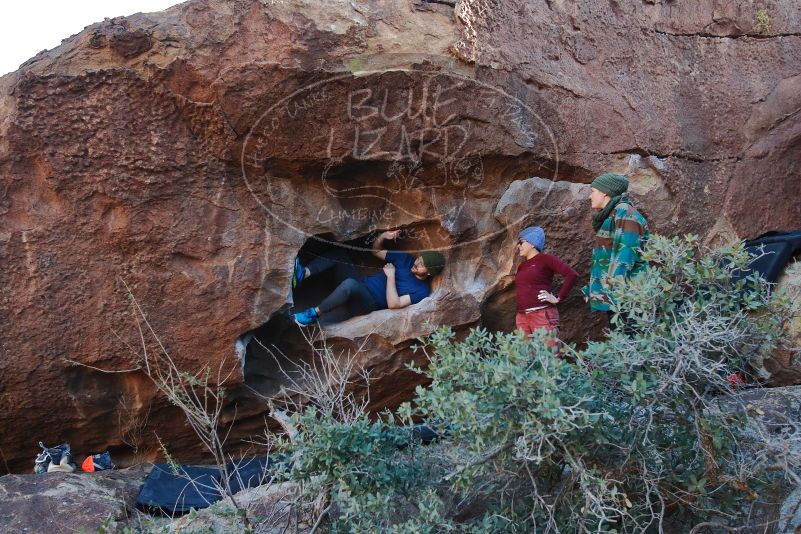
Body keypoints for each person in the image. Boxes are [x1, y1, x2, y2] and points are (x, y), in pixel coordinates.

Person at [291, 230, 446, 326]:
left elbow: (394, 304)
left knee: (350, 285)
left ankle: (313, 315)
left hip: (368, 303)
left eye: (422, 265)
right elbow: (375, 252)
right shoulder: (406, 260)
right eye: (420, 259)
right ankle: (303, 274)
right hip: (362, 283)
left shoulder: (421, 291)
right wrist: (382, 237)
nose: (417, 262)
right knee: (340, 255)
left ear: (429, 273)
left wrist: (391, 277)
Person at [585, 173, 650, 322]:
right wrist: (593, 290)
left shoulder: (624, 212)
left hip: (627, 298)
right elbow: (605, 259)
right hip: (618, 296)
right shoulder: (614, 214)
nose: (590, 196)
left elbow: (624, 256)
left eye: (593, 191)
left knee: (629, 339)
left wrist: (612, 293)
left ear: (605, 192)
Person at [514, 226, 578, 338]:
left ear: (532, 243)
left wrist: (558, 298)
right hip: (522, 317)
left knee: (548, 353)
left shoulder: (546, 259)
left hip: (542, 315)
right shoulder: (522, 266)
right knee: (526, 355)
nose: (519, 246)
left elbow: (571, 274)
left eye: (521, 242)